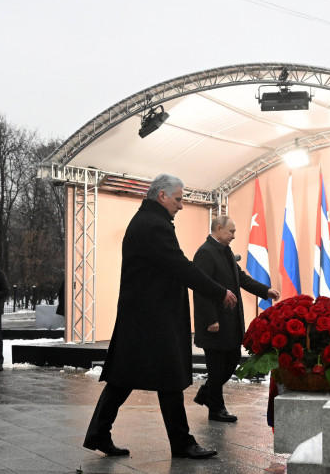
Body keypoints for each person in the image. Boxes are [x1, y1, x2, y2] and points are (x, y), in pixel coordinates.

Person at [83, 173, 237, 460]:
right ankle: (181, 443)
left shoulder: (148, 221)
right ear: (162, 196)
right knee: (168, 377)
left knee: (124, 376)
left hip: (144, 315)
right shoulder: (154, 225)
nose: (181, 206)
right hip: (153, 317)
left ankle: (99, 433)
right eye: (178, 199)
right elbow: (180, 267)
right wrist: (219, 292)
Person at [192, 215, 280, 422]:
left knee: (231, 361)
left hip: (230, 321)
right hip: (214, 322)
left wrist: (265, 290)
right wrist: (210, 319)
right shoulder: (205, 253)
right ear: (219, 228)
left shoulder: (226, 251)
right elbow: (201, 290)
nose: (234, 235)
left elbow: (241, 278)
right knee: (216, 367)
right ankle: (216, 409)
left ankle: (206, 394)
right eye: (231, 231)